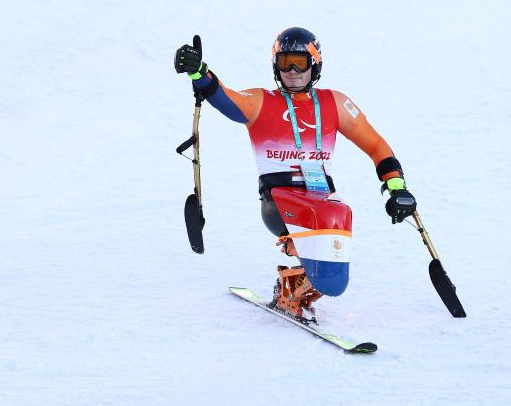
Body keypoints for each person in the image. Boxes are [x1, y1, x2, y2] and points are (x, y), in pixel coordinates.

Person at [175, 27, 416, 321]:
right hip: (278, 199)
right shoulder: (261, 100)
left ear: (315, 65)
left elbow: (376, 144)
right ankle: (294, 288)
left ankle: (297, 283)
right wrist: (200, 74)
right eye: (284, 61)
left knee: (339, 215)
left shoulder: (335, 103)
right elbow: (227, 100)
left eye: (299, 63)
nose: (290, 70)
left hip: (322, 197)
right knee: (329, 225)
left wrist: (396, 186)